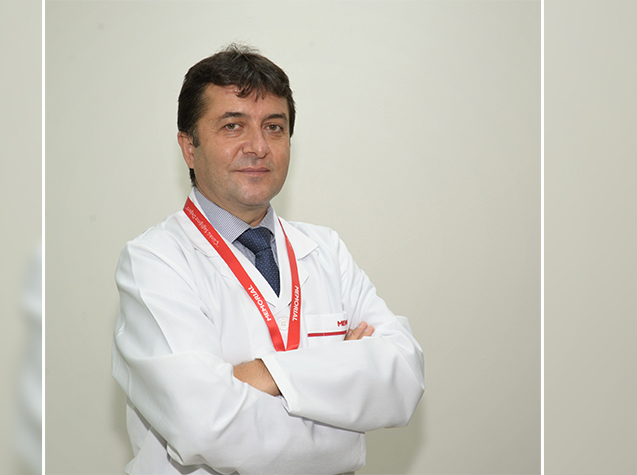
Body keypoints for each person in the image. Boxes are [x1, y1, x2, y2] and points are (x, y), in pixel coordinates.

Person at [112, 44, 424, 475]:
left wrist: (261, 375)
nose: (258, 146)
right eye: (233, 126)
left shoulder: (326, 250)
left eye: (274, 127)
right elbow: (206, 426)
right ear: (189, 147)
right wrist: (344, 423)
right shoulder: (154, 262)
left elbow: (404, 375)